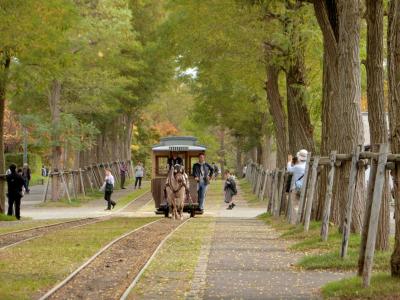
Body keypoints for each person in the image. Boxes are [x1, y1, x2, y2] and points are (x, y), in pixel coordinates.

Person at [287, 149, 308, 224]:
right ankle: (303, 220)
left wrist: (289, 161)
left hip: (295, 188)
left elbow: (289, 170)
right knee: (304, 205)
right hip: (305, 188)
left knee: (295, 205)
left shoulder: (297, 167)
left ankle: (295, 222)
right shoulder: (308, 166)